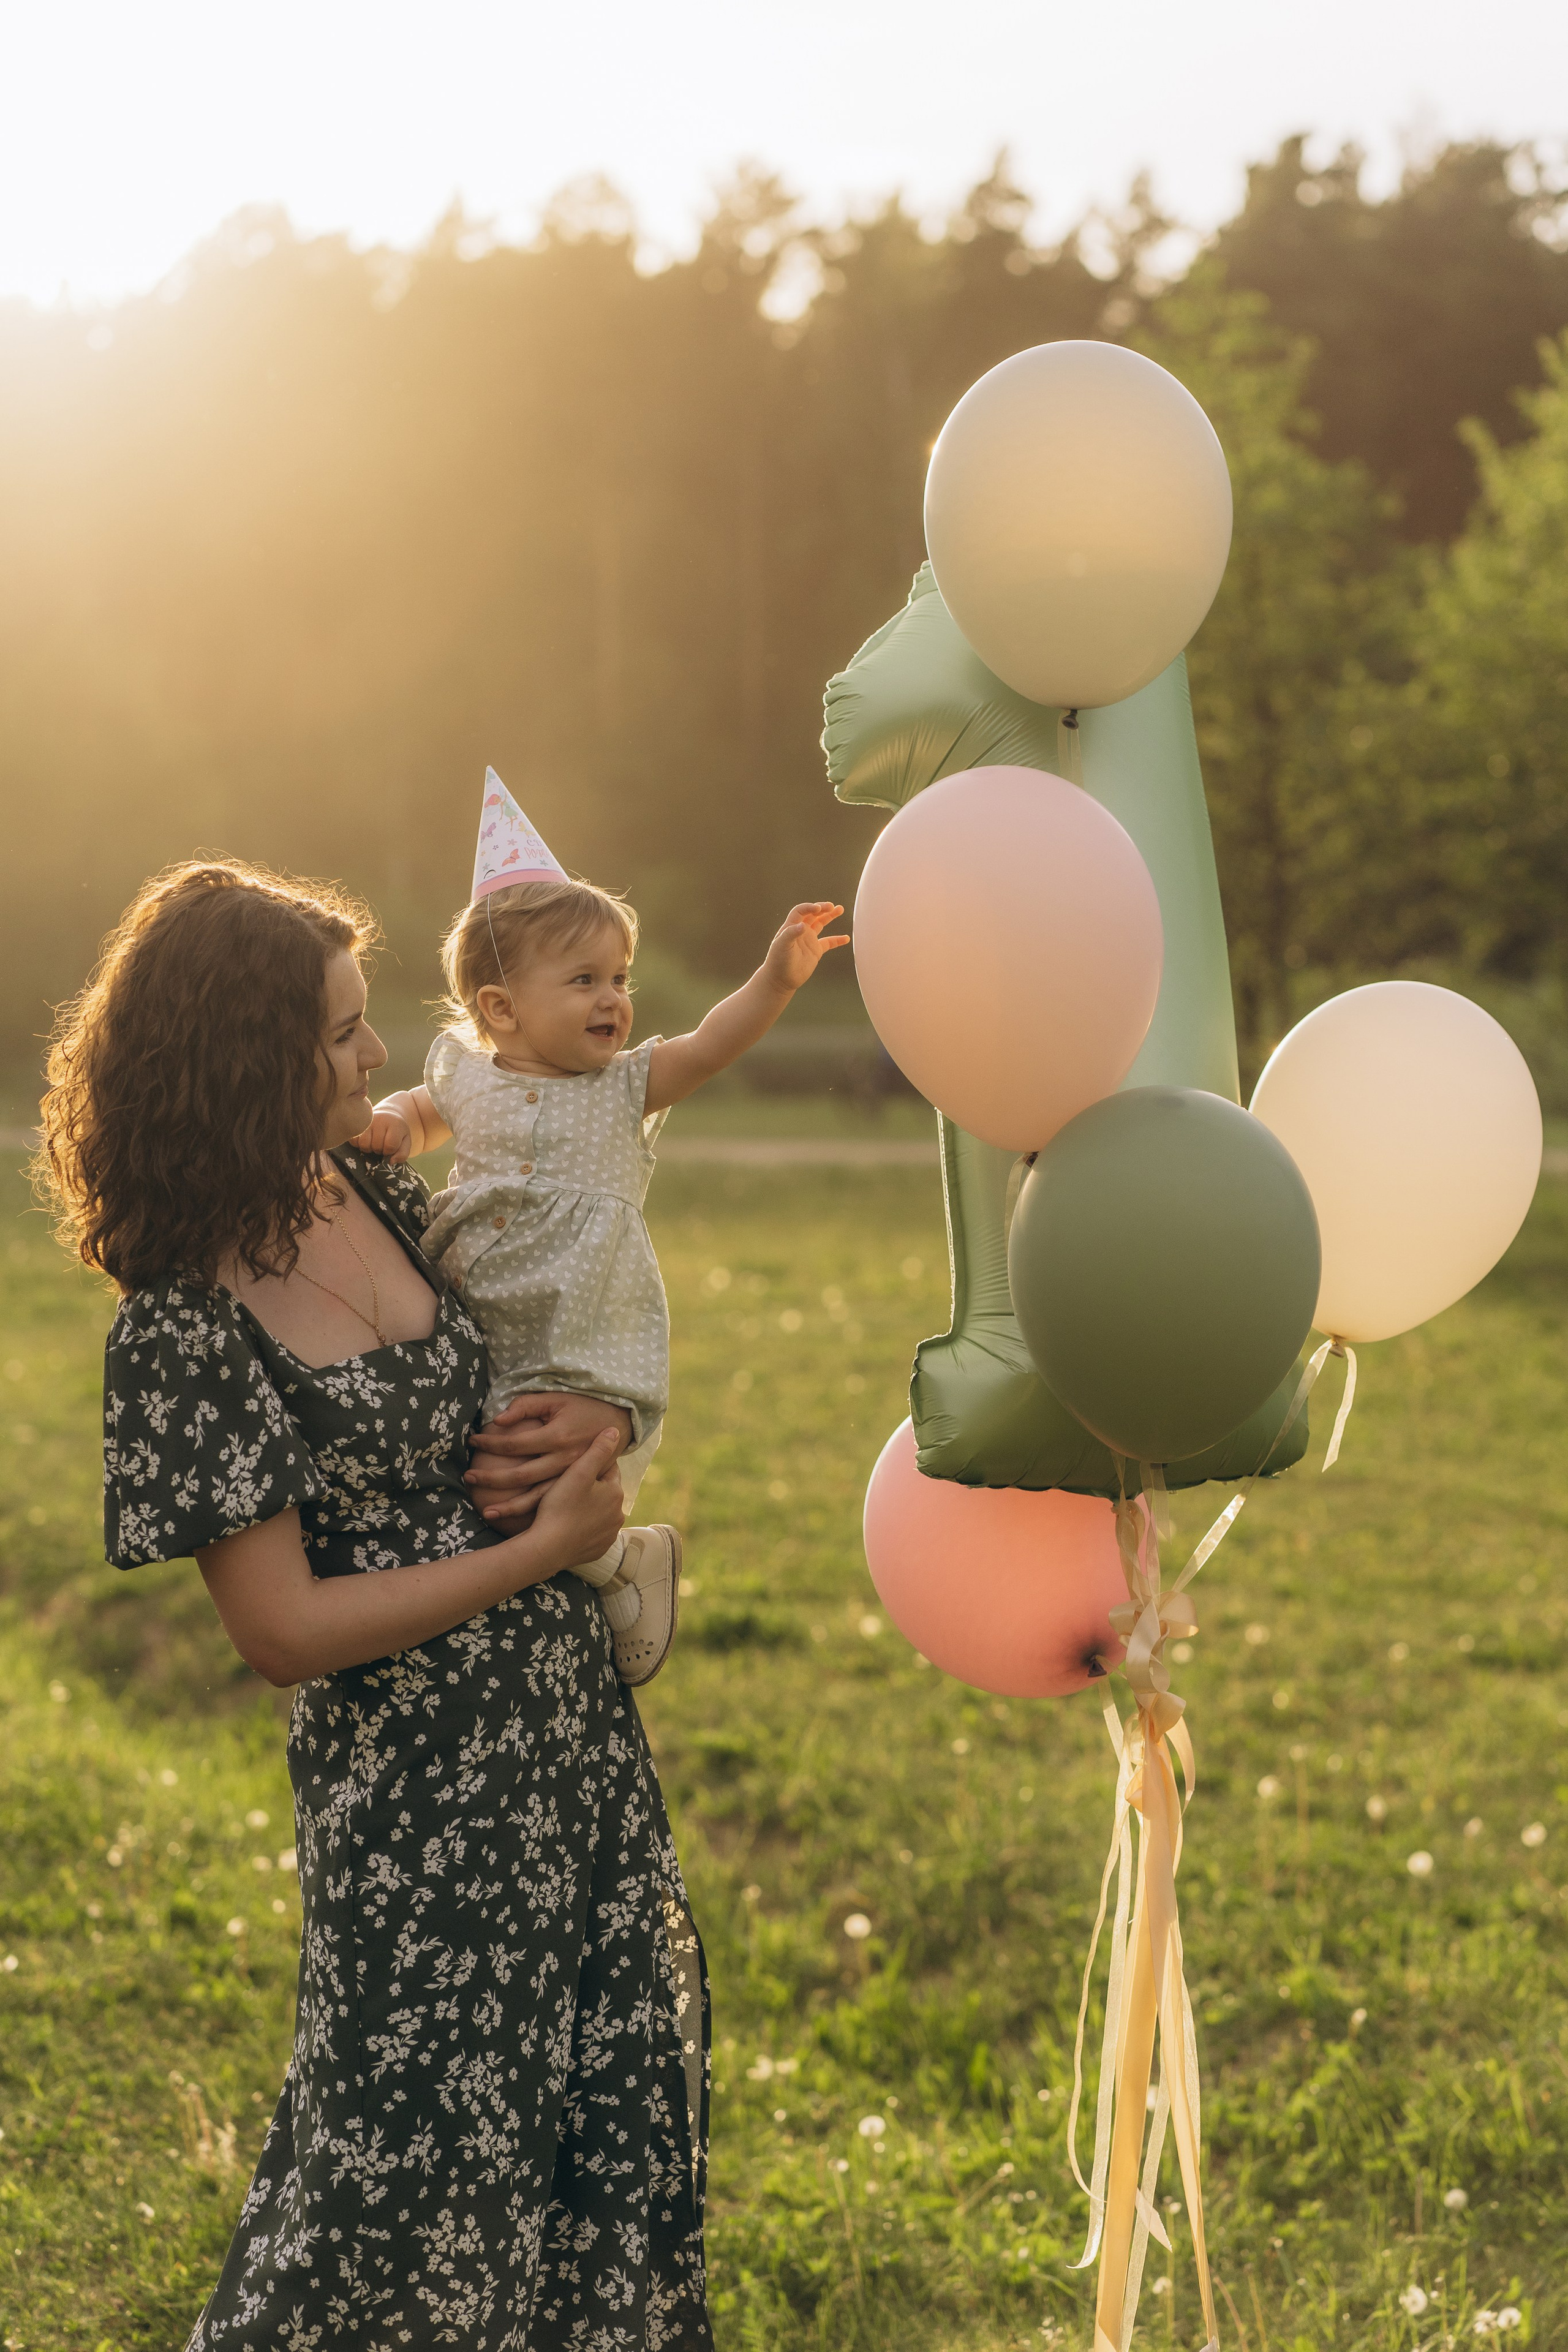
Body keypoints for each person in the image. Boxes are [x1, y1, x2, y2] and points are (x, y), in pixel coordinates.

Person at [37, 857, 712, 2351]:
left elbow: (544, 1339)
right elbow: (279, 1630)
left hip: (563, 1758)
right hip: (417, 1803)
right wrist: (539, 1558)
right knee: (395, 2197)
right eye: (339, 1031)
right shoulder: (181, 1326)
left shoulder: (374, 1187)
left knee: (590, 2154)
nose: (373, 1054)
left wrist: (591, 1435)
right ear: (241, 1064)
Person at [360, 768, 848, 1685]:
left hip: (585, 1325)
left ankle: (626, 1561)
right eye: (584, 980)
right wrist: (393, 1122)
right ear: (499, 1009)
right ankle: (590, 1570)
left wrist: (774, 980)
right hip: (482, 1315)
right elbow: (423, 1110)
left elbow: (710, 1041)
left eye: (619, 978)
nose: (614, 1000)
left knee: (545, 1484)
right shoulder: (468, 1074)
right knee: (491, 1476)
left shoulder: (627, 1087)